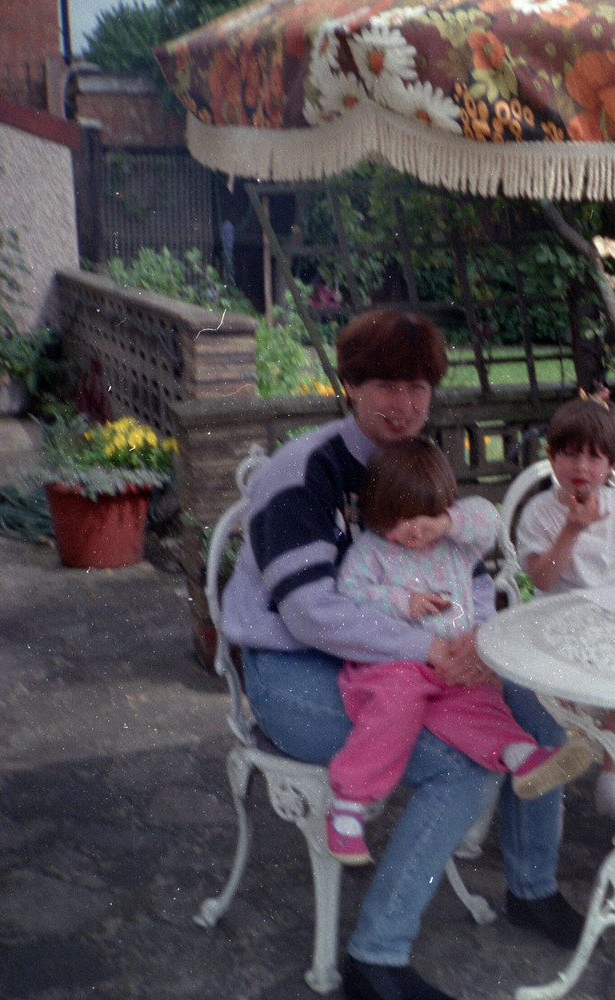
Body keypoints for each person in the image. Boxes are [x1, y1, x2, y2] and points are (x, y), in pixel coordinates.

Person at [220, 309, 585, 1000]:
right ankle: (376, 958)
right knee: (462, 766)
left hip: (407, 659)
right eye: (386, 384)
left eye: (418, 386)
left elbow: (467, 567)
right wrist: (433, 648)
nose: (404, 404)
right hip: (293, 669)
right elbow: (310, 612)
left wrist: (476, 642)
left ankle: (532, 889)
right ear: (350, 385)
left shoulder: (414, 463)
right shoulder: (303, 473)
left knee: (535, 708)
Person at [326, 439, 596, 865]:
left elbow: (489, 518)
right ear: (377, 513)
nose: (413, 531)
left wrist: (444, 524)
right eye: (398, 520)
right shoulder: (372, 551)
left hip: (451, 665)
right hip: (393, 665)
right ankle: (348, 802)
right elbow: (349, 593)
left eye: (422, 518)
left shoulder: (456, 544)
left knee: (480, 701)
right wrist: (401, 601)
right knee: (395, 706)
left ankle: (521, 756)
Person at [515, 396, 615, 822]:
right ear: (551, 456)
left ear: (612, 464)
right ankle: (552, 784)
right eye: (570, 454)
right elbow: (542, 579)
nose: (581, 466)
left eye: (594, 457)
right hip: (557, 629)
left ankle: (612, 781)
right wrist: (572, 529)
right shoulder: (539, 513)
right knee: (557, 704)